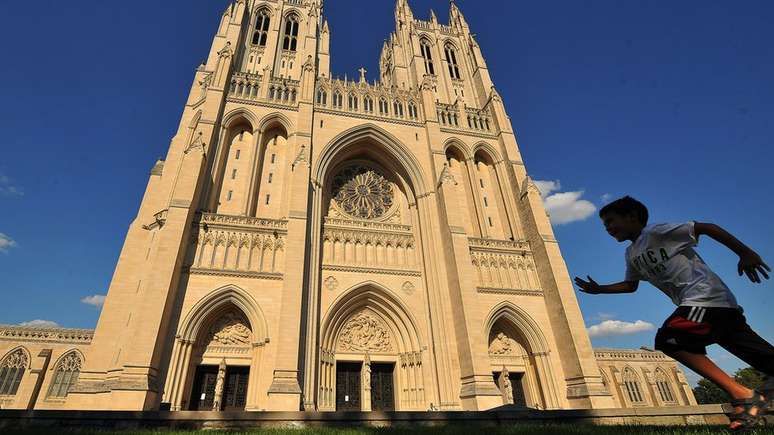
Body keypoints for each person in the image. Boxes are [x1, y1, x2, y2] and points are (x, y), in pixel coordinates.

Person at [574, 196, 773, 430]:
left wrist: (745, 253)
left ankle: (742, 395)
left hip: (707, 299)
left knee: (669, 339)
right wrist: (599, 290)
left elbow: (706, 228)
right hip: (716, 310)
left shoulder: (658, 232)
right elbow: (631, 285)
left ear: (632, 217)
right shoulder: (631, 254)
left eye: (611, 221)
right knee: (766, 360)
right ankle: (748, 404)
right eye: (605, 225)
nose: (608, 228)